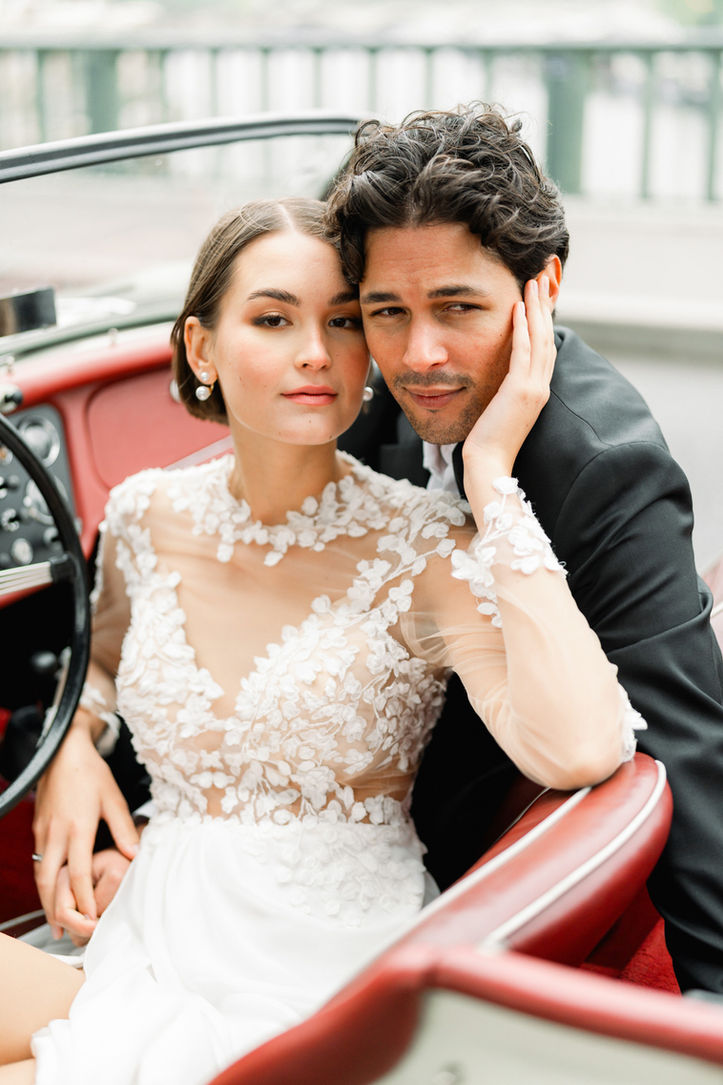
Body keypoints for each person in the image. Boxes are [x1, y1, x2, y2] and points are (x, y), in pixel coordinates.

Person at [1, 196, 637, 1084]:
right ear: (201, 349)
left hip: (310, 971)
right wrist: (72, 745)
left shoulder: (423, 548)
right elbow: (98, 663)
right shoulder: (145, 514)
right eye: (272, 319)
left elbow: (580, 746)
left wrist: (489, 478)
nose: (315, 352)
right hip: (148, 930)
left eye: (342, 321)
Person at [324, 103, 723, 995]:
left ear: (543, 285)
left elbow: (686, 741)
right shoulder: (360, 400)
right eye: (387, 310)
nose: (418, 354)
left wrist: (709, 1008)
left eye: (458, 306)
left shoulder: (603, 464)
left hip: (466, 863)